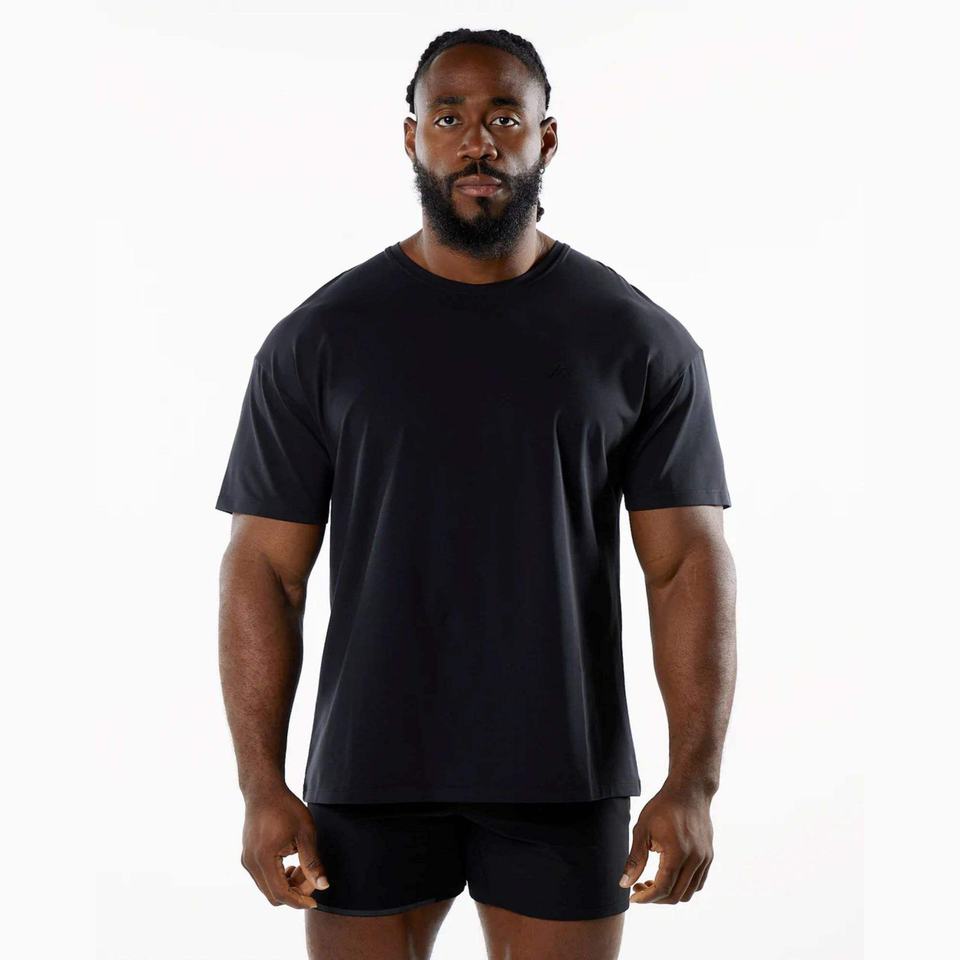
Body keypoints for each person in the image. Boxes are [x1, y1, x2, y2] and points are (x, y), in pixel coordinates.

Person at [215, 27, 737, 960]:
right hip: (370, 770)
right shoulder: (320, 339)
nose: (477, 143)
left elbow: (685, 566)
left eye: (504, 117)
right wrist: (261, 785)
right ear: (411, 137)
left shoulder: (636, 340)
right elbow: (265, 569)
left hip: (564, 773)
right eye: (449, 118)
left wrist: (693, 781)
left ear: (546, 137)